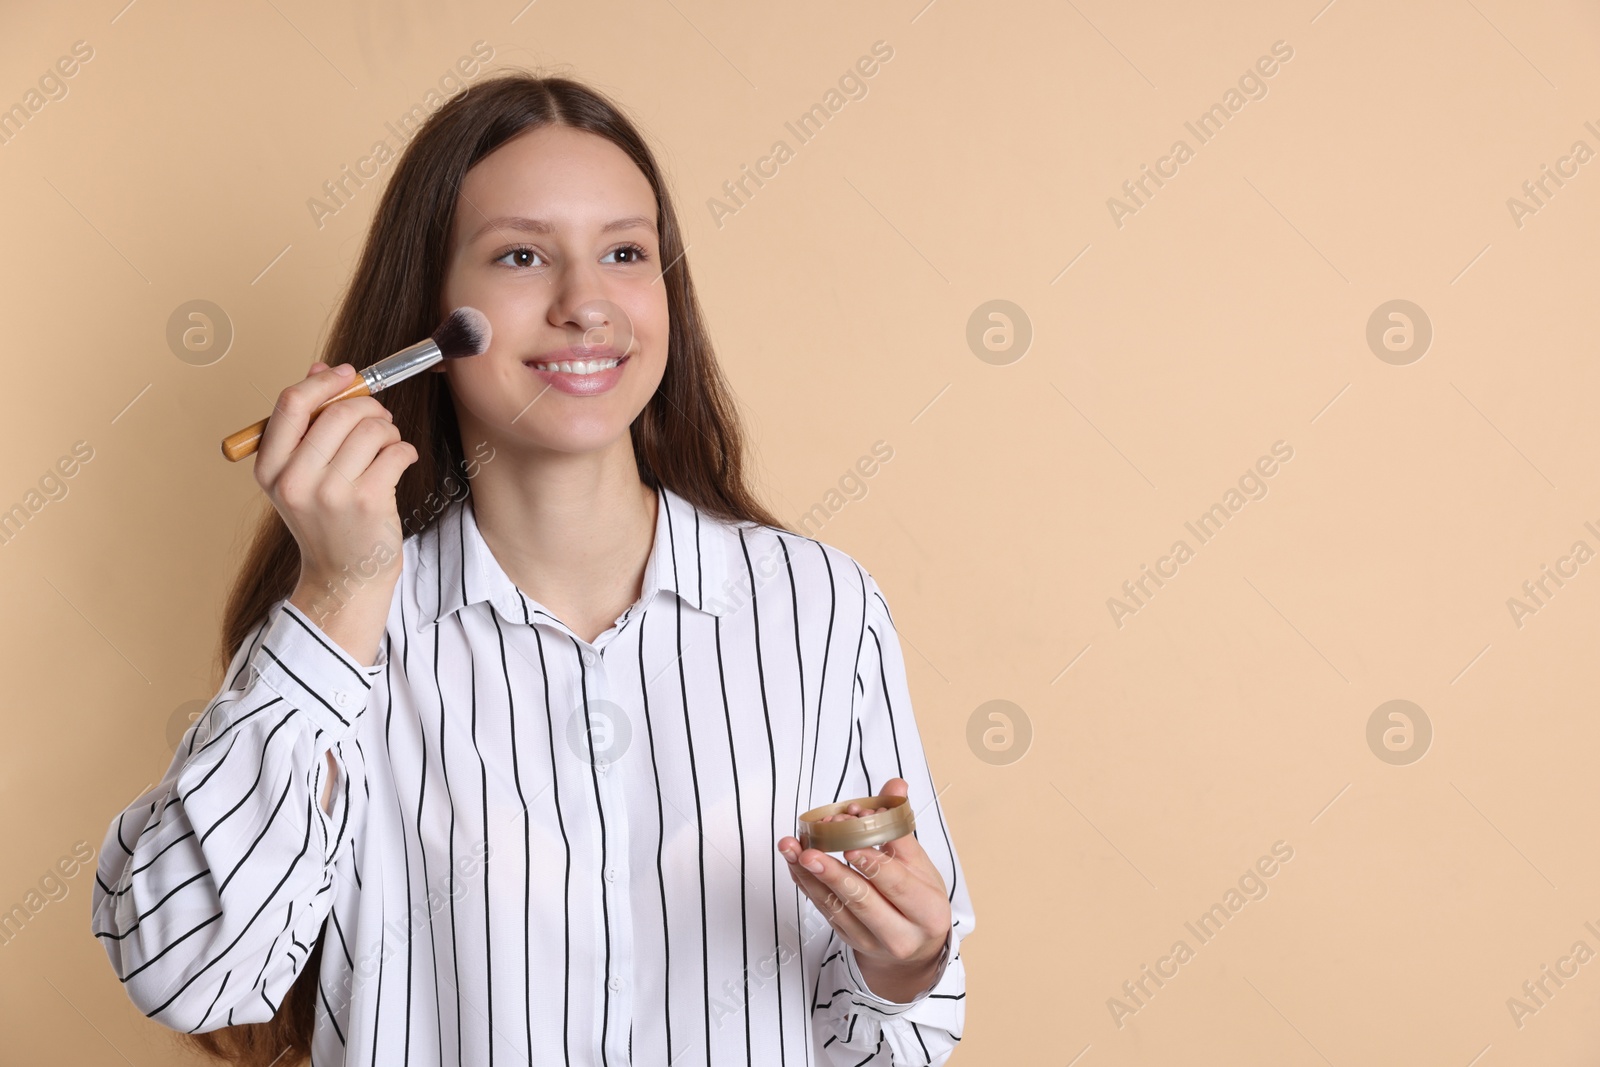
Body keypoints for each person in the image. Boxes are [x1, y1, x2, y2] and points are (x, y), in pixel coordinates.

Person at [91, 72, 974, 1066]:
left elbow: (901, 1038)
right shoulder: (337, 633)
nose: (585, 303)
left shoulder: (820, 608)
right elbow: (191, 973)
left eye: (625, 253)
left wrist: (906, 962)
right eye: (520, 254)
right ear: (429, 315)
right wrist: (337, 594)